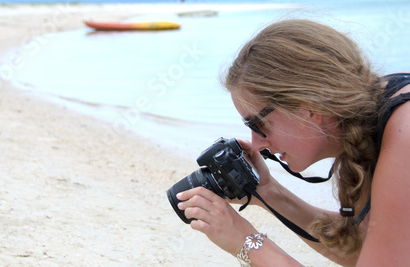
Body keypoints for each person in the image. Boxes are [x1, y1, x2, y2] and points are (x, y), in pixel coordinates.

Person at [176, 19, 410, 266]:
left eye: (258, 125)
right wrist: (268, 193)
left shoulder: (404, 134)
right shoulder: (381, 107)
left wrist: (245, 241)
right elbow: (366, 250)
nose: (256, 145)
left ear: (309, 105)